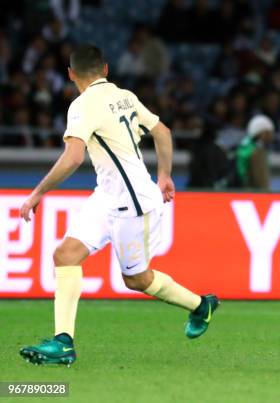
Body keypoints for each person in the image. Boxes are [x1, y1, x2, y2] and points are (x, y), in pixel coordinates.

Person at [18, 44, 219, 366]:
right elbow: (163, 132)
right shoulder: (123, 95)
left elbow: (73, 157)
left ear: (71, 75)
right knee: (65, 255)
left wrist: (38, 192)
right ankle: (63, 342)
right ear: (106, 69)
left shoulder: (82, 105)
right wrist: (165, 176)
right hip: (108, 195)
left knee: (136, 279)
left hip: (133, 203)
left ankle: (200, 305)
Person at [235, 114, 275, 189]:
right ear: (260, 133)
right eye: (268, 132)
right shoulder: (256, 152)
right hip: (254, 193)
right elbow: (259, 179)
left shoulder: (244, 147)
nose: (271, 136)